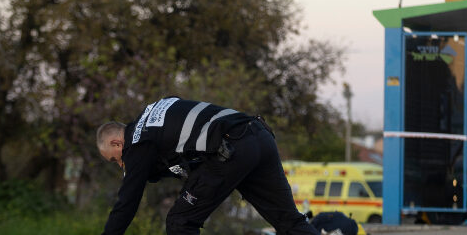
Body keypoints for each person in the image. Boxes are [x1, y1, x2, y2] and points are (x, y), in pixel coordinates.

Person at [96, 96, 319, 235]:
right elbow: (176, 149)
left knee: (180, 222)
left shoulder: (136, 142)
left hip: (231, 148)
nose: (120, 164)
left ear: (117, 142)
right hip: (259, 135)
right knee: (289, 221)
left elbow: (127, 202)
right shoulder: (154, 110)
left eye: (115, 158)